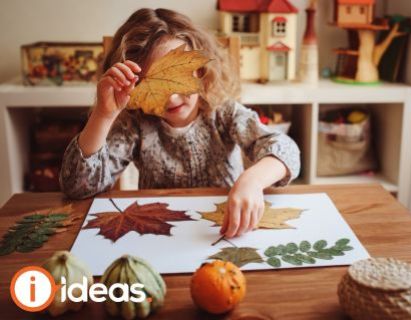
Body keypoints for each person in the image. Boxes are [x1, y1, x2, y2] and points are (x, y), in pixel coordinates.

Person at [60, 8, 300, 239]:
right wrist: (103, 115)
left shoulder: (223, 113)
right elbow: (78, 187)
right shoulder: (135, 125)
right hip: (160, 232)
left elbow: (286, 150)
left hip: (222, 228)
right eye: (154, 86)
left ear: (201, 70)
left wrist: (252, 181)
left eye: (178, 80)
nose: (172, 98)